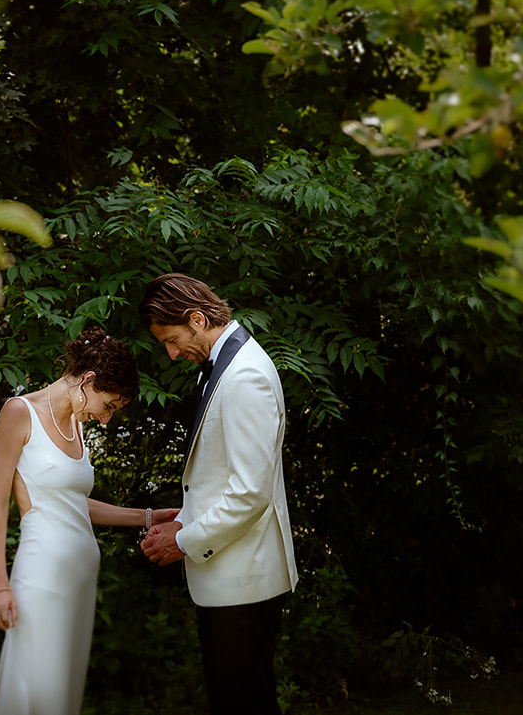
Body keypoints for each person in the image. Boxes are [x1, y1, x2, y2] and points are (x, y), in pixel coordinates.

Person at [0, 325, 174, 715]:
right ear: (88, 380)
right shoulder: (20, 413)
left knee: (62, 697)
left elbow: (75, 503)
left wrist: (151, 515)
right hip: (42, 577)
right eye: (109, 406)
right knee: (37, 692)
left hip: (80, 582)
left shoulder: (74, 424)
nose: (105, 419)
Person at [139, 274, 298, 715]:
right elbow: (219, 478)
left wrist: (182, 541)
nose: (172, 353)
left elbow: (250, 494)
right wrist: (183, 520)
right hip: (228, 576)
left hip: (244, 580)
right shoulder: (223, 365)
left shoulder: (245, 375)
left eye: (172, 340)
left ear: (196, 318)